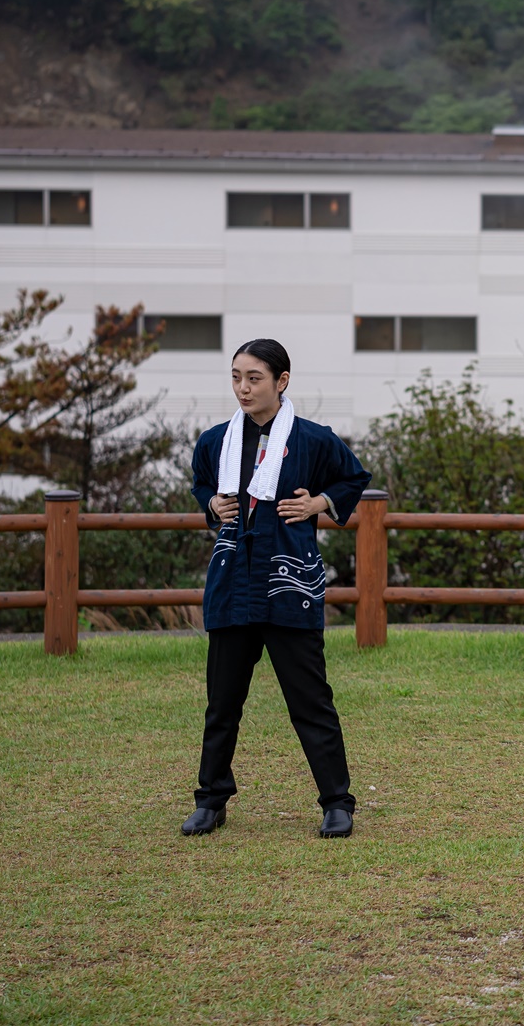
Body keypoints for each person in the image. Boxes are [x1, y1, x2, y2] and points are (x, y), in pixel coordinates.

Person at [182, 338, 371, 838]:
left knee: (311, 701)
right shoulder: (215, 441)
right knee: (222, 704)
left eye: (254, 378)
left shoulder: (313, 440)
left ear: (281, 381)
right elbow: (201, 484)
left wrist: (319, 503)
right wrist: (211, 504)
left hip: (290, 587)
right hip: (232, 586)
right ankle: (211, 799)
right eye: (236, 377)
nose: (243, 388)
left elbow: (353, 479)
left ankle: (337, 802)